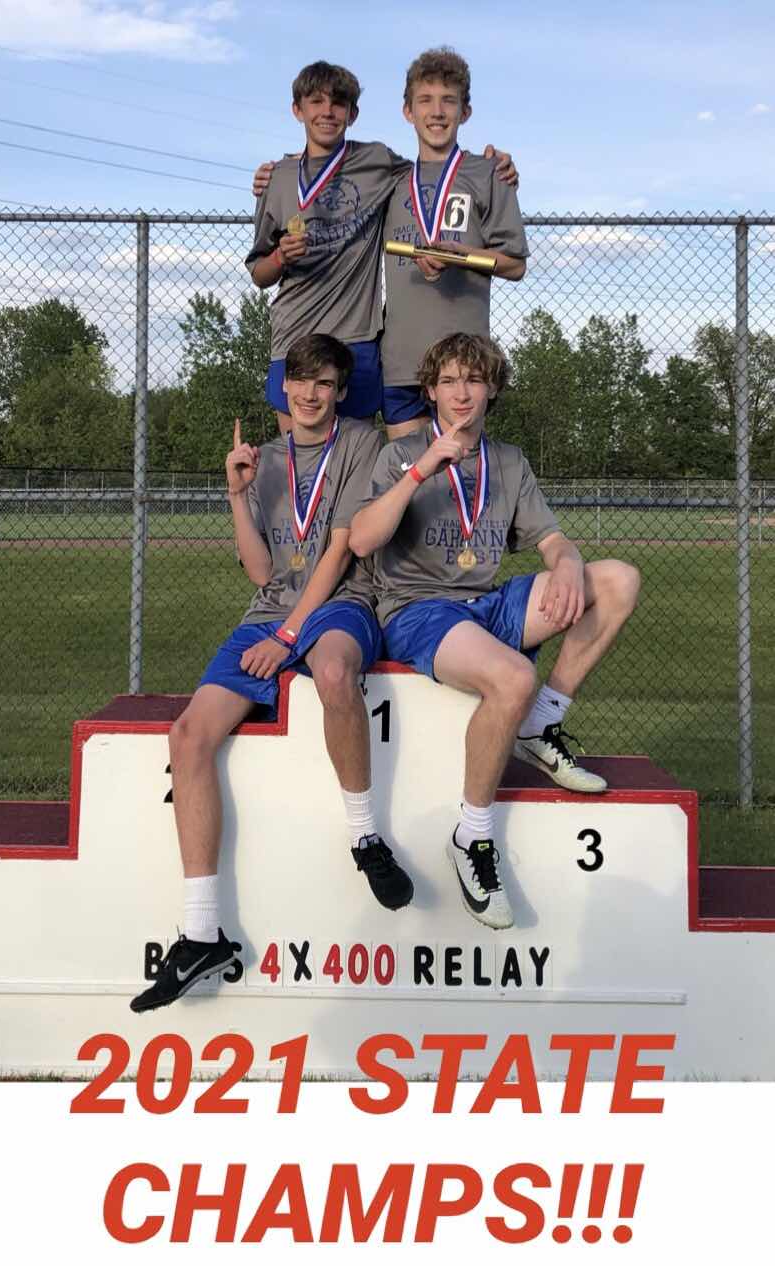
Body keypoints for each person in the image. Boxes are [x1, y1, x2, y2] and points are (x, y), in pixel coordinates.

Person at [131, 334, 413, 1014]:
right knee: (188, 736)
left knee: (336, 673)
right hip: (269, 612)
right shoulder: (263, 458)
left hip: (338, 603)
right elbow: (261, 573)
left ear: (341, 392)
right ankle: (201, 934)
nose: (311, 394)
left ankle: (365, 837)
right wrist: (236, 493)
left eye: (325, 383)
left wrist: (290, 636)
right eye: (301, 381)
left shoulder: (361, 444)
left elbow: (340, 553)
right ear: (283, 386)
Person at [349, 333, 640, 931]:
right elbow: (361, 540)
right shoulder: (399, 454)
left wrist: (566, 562)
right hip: (418, 611)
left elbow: (552, 539)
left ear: (492, 389)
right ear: (431, 391)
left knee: (617, 580)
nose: (462, 392)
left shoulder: (507, 461)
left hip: (485, 604)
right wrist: (422, 470)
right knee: (512, 677)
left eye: (474, 380)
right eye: (449, 380)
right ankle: (471, 837)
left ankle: (542, 722)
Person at [249, 58, 517, 435]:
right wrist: (279, 255)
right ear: (297, 110)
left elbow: (436, 171)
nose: (327, 112)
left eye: (338, 103)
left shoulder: (378, 162)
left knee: (359, 456)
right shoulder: (277, 177)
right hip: (296, 336)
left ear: (353, 114)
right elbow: (259, 273)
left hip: (358, 339)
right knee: (302, 457)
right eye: (316, 102)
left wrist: (493, 167)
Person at [381, 47, 528, 439]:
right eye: (425, 100)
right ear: (407, 111)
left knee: (459, 474)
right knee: (410, 472)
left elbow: (516, 265)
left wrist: (465, 256)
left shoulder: (489, 173)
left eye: (449, 100)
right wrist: (275, 170)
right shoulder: (390, 178)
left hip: (464, 368)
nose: (437, 112)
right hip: (402, 363)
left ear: (465, 111)